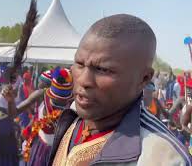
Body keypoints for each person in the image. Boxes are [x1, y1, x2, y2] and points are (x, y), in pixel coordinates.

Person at [46, 14, 191, 165]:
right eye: (79, 63)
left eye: (102, 69)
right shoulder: (72, 114)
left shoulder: (162, 157)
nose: (83, 80)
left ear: (144, 79)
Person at [4, 67, 74, 166]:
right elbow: (13, 113)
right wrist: (10, 101)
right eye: (56, 98)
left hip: (61, 153)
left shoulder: (74, 102)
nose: (59, 102)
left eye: (63, 100)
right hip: (40, 150)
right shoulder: (41, 95)